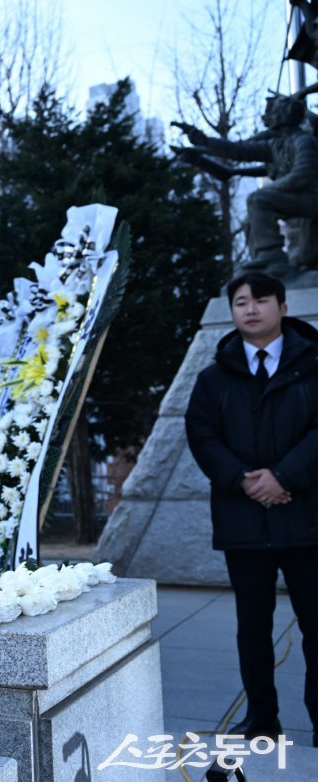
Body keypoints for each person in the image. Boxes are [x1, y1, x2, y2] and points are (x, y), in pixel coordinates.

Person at [185, 272, 318, 746]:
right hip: (244, 520)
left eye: (262, 300)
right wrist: (244, 479)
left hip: (308, 519)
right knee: (252, 629)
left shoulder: (312, 364)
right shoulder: (213, 377)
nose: (251, 309)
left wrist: (284, 477)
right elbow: (202, 435)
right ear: (233, 312)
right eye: (241, 302)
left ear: (283, 307)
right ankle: (262, 718)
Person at [173, 93, 318, 276]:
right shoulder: (276, 145)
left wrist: (270, 190)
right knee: (252, 218)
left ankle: (273, 257)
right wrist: (204, 141)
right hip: (299, 199)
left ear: (285, 116)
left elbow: (302, 176)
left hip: (312, 199)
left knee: (259, 199)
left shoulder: (304, 141)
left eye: (271, 113)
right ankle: (262, 260)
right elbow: (240, 151)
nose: (266, 117)